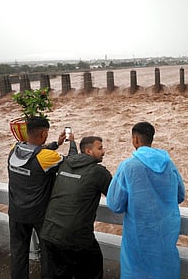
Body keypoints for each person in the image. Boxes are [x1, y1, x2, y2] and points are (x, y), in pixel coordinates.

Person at [107, 121, 186, 279]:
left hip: (138, 236)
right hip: (166, 233)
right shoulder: (168, 164)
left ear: (135, 140)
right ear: (151, 139)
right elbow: (180, 195)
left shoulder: (128, 166)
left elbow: (115, 204)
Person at [7, 117, 77, 279]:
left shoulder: (13, 149)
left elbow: (36, 150)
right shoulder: (46, 158)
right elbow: (72, 162)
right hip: (40, 214)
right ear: (44, 133)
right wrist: (72, 142)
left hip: (16, 212)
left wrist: (56, 144)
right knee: (48, 253)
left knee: (18, 252)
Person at [41, 136, 112, 279]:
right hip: (77, 238)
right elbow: (117, 197)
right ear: (88, 151)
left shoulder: (65, 163)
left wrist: (71, 141)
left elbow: (71, 153)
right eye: (100, 148)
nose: (103, 151)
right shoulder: (98, 172)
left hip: (49, 232)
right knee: (91, 271)